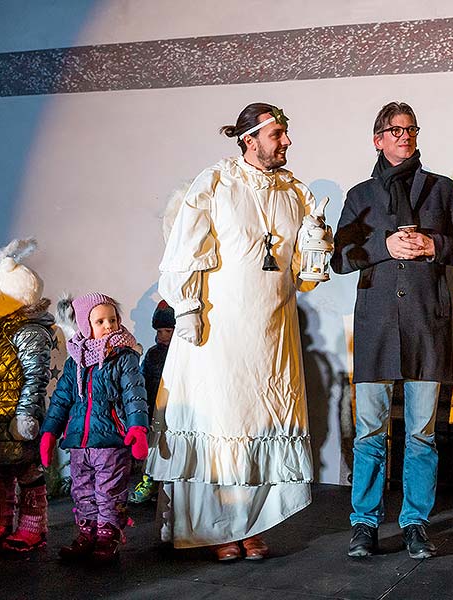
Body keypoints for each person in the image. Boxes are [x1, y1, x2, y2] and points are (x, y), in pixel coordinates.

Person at [146, 102, 323, 561]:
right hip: (219, 330)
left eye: (285, 134)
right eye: (278, 134)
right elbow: (184, 246)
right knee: (223, 421)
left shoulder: (295, 191)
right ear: (250, 139)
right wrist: (186, 307)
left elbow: (302, 273)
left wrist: (316, 246)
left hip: (274, 330)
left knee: (262, 419)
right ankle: (218, 527)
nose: (286, 142)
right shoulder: (216, 183)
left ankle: (253, 523)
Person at [331, 102, 453, 559]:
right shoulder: (361, 195)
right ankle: (364, 523)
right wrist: (384, 244)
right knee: (369, 431)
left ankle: (416, 522)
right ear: (378, 139)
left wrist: (433, 245)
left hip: (426, 322)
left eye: (411, 128)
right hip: (377, 325)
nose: (404, 136)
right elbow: (340, 257)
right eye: (395, 130)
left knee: (421, 433)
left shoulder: (441, 189)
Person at [40, 293, 149, 564]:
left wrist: (137, 428)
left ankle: (107, 535)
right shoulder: (74, 360)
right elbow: (62, 398)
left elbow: (134, 393)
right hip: (79, 440)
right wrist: (50, 431)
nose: (109, 326)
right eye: (100, 321)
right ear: (85, 325)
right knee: (82, 489)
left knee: (109, 490)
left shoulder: (124, 357)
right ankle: (87, 533)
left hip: (111, 439)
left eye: (112, 319)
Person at [0, 238, 56, 552]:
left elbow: (35, 376)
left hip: (17, 416)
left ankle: (33, 526)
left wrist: (26, 413)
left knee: (27, 470)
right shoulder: (0, 332)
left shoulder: (31, 332)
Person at [129, 300, 175, 504]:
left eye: (168, 330)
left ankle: (171, 485)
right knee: (153, 447)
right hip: (156, 407)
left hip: (177, 408)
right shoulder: (152, 354)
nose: (162, 336)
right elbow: (144, 378)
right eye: (159, 331)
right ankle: (150, 481)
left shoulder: (183, 354)